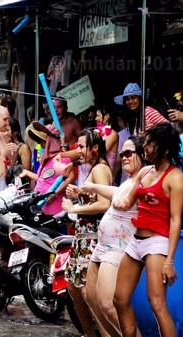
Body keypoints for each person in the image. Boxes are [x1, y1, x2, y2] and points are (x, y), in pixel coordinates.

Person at [112, 123, 183, 337]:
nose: (145, 146)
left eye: (151, 143)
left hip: (157, 242)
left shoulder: (176, 178)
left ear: (165, 149)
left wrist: (169, 261)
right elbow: (126, 202)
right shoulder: (145, 172)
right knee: (119, 299)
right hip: (136, 240)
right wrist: (112, 200)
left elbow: (175, 220)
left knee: (157, 305)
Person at [79, 136, 145, 337]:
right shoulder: (129, 179)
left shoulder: (145, 174)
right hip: (102, 246)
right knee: (91, 298)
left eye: (129, 153)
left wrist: (87, 193)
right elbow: (116, 192)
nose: (123, 157)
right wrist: (91, 187)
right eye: (122, 153)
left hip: (118, 248)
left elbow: (121, 199)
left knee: (108, 304)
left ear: (142, 154)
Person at [61, 129, 113, 337]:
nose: (78, 151)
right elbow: (96, 196)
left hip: (92, 236)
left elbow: (104, 204)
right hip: (84, 237)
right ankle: (89, 333)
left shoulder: (100, 168)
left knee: (85, 291)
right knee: (74, 288)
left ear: (95, 148)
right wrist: (80, 193)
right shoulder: (95, 168)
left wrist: (75, 209)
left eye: (82, 147)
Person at [20, 122, 75, 216]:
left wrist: (55, 194)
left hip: (54, 207)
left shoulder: (59, 157)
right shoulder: (47, 160)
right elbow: (43, 179)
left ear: (50, 141)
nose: (40, 145)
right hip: (42, 205)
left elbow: (71, 176)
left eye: (42, 141)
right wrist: (27, 173)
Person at [2, 118, 32, 184]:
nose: (5, 133)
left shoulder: (23, 148)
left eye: (7, 130)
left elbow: (26, 172)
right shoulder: (5, 147)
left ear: (15, 131)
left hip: (20, 187)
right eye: (3, 131)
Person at [94, 107, 120, 172]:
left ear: (106, 116)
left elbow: (100, 152)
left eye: (98, 116)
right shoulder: (97, 132)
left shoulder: (112, 134)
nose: (96, 118)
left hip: (105, 172)